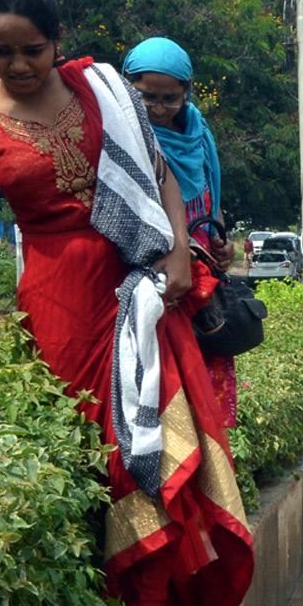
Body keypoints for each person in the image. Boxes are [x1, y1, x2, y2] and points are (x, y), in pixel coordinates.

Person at [0, 0, 253, 606]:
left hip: (141, 286)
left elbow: (158, 172)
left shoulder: (101, 89)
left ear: (56, 39)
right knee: (91, 455)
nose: (20, 65)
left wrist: (180, 255)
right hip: (58, 305)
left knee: (147, 440)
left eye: (32, 49)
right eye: (2, 51)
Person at [121, 37, 238, 428]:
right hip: (154, 279)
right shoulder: (122, 135)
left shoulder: (199, 134)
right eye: (146, 97)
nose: (157, 109)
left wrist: (221, 246)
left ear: (187, 92)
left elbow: (210, 201)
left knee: (206, 387)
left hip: (201, 280)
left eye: (169, 98)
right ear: (126, 85)